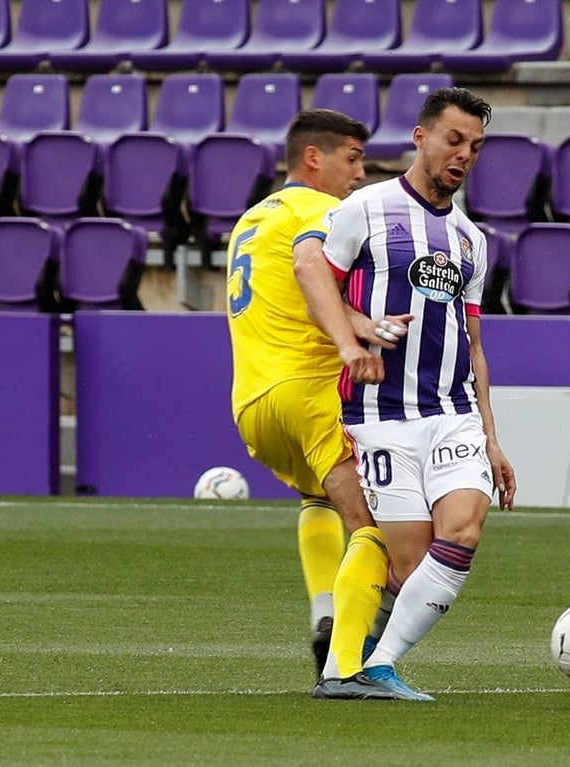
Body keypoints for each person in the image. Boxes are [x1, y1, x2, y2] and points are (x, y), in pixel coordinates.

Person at [302, 87, 517, 702]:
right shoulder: (363, 209)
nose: (464, 155)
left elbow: (473, 342)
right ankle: (362, 652)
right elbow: (318, 290)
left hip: (451, 415)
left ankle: (381, 661)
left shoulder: (472, 241)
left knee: (466, 530)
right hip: (377, 415)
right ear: (421, 138)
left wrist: (492, 439)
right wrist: (355, 333)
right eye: (454, 140)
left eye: (475, 146)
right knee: (406, 566)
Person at [226, 109, 408, 694]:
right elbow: (314, 279)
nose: (359, 174)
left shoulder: (251, 219)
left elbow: (298, 294)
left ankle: (325, 613)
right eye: (352, 158)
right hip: (311, 391)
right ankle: (349, 663)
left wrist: (357, 322)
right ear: (315, 158)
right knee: (376, 524)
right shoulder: (320, 209)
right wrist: (359, 334)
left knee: (316, 498)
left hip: (254, 403)